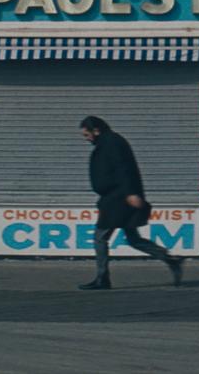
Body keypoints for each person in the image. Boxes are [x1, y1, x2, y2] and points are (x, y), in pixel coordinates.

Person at [79, 115, 184, 290]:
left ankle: (102, 279)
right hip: (118, 198)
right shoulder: (108, 142)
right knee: (134, 239)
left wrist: (131, 193)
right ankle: (170, 259)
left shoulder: (112, 142)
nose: (86, 138)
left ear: (96, 130)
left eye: (86, 134)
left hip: (118, 199)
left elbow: (125, 168)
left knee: (100, 237)